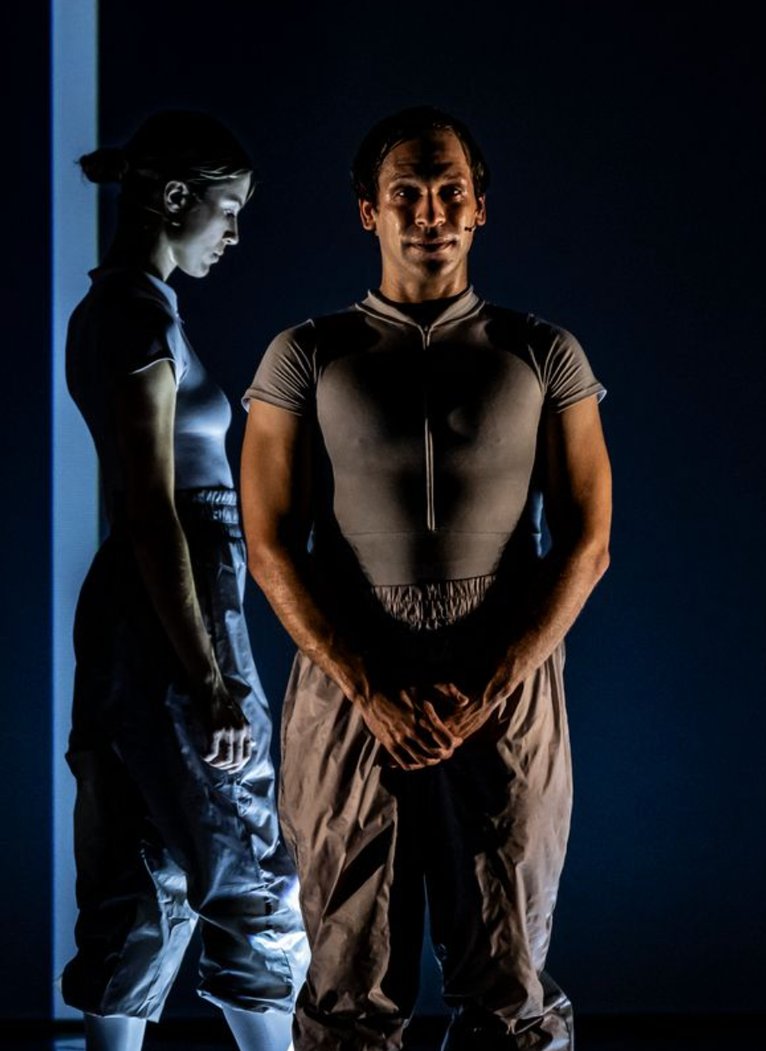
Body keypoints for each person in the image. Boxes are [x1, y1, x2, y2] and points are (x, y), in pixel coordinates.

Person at [240, 106, 612, 1050]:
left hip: (505, 672)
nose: (431, 212)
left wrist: (494, 682)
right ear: (369, 210)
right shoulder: (306, 353)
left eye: (451, 191)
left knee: (509, 975)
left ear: (481, 206)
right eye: (406, 192)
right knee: (348, 979)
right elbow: (269, 544)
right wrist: (366, 686)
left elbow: (588, 542)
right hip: (352, 672)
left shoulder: (544, 351)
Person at [61, 111, 308, 1051]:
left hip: (143, 600)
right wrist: (209, 680)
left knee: (141, 860)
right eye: (228, 210)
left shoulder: (128, 310)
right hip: (178, 592)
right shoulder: (135, 314)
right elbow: (152, 508)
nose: (234, 234)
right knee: (244, 850)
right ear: (174, 199)